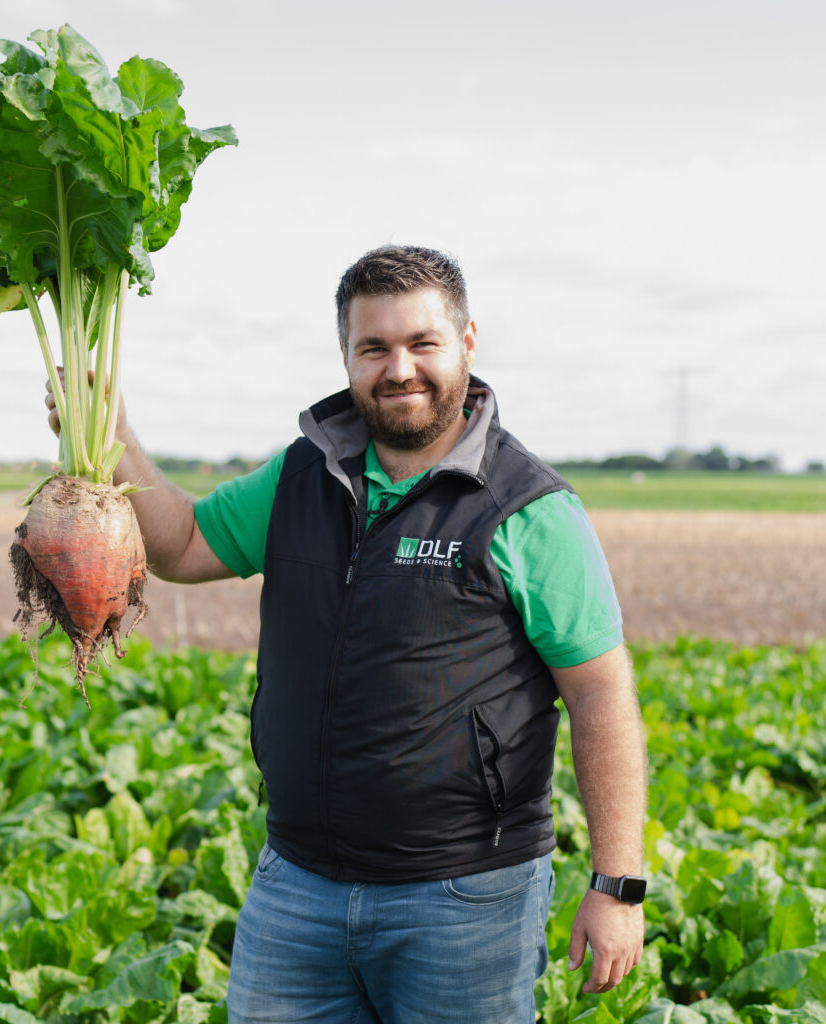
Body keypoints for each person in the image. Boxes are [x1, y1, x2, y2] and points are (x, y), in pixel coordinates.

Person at [47, 244, 647, 1022]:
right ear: (347, 356)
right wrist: (116, 433)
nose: (400, 368)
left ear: (465, 344)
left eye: (422, 343)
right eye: (375, 348)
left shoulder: (527, 507)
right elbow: (186, 544)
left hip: (464, 897)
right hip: (297, 885)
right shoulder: (304, 473)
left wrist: (616, 886)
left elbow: (601, 693)